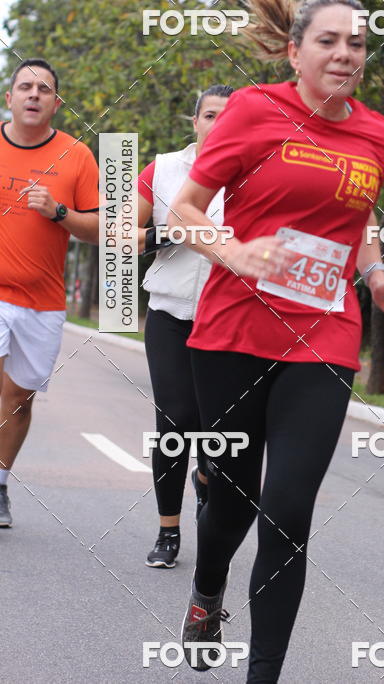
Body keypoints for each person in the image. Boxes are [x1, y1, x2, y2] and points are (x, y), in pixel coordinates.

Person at [169, 0, 384, 681]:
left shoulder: (378, 132)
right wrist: (235, 252)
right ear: (295, 51)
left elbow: (358, 215)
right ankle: (207, 589)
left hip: (326, 332)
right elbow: (184, 209)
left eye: (357, 44)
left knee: (287, 511)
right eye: (330, 41)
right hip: (234, 331)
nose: (345, 54)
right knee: (232, 497)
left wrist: (376, 276)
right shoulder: (251, 111)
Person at [136, 85, 233, 568]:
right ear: (194, 121)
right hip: (171, 314)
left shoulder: (254, 174)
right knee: (175, 420)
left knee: (218, 429)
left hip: (228, 319)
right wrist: (168, 232)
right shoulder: (164, 169)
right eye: (210, 115)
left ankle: (206, 481)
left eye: (228, 117)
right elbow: (122, 234)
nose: (218, 124)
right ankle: (168, 531)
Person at [0, 58, 99, 528]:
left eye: (44, 89)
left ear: (56, 104)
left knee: (19, 397)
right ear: (10, 98)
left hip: (42, 300)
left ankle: (0, 483)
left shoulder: (77, 155)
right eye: (25, 87)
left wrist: (59, 212)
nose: (33, 95)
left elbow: (99, 228)